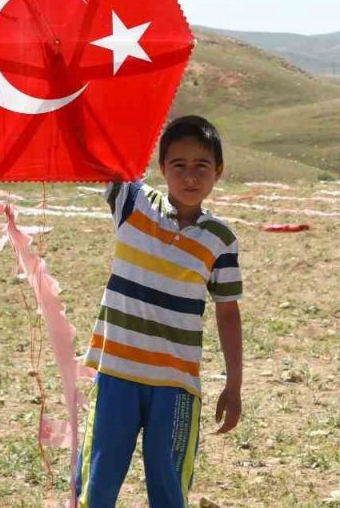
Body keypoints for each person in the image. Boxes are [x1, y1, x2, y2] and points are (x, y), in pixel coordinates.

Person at [76, 115, 244, 508]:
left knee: (168, 490)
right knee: (97, 487)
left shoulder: (221, 239)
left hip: (176, 383)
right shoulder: (133, 203)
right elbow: (103, 149)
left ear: (217, 172)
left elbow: (228, 313)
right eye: (178, 166)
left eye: (201, 166)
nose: (190, 177)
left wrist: (234, 384)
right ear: (161, 168)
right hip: (117, 372)